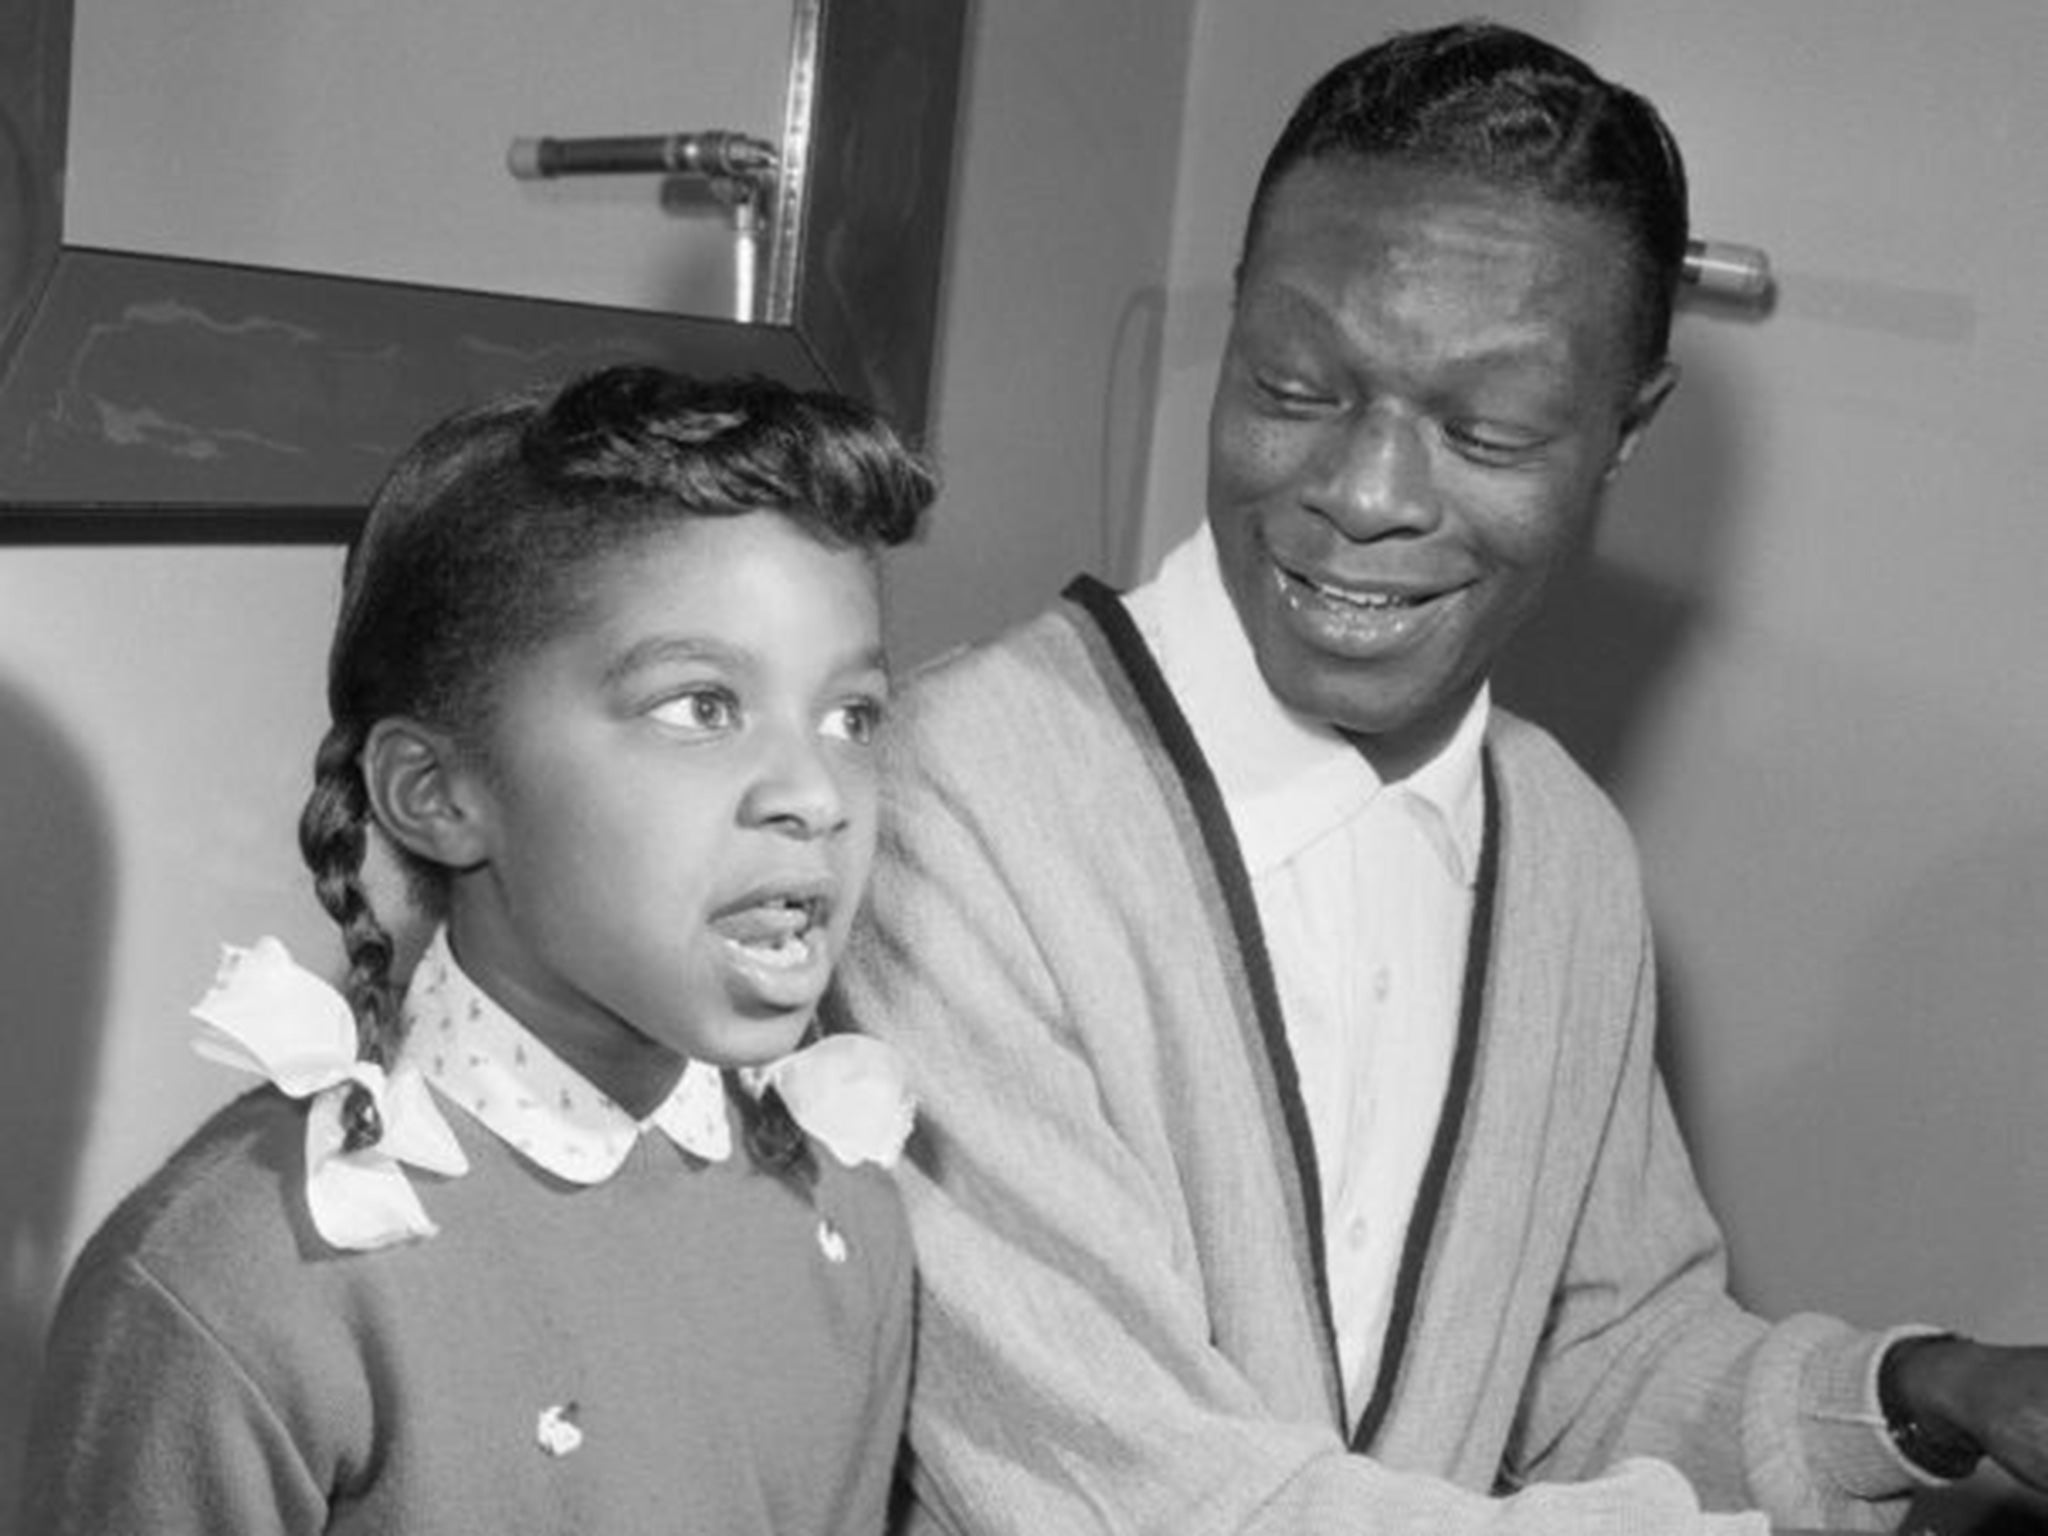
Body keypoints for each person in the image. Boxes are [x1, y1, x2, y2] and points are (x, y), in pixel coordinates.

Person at [832, 20, 2048, 1536]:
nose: (1365, 493)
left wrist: (1931, 1389)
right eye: (1292, 385)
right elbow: (1134, 1490)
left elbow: (1603, 1360)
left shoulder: (1563, 853)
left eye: (1489, 429)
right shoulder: (948, 806)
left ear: (1621, 434)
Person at [19, 365, 935, 1535]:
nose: (815, 793)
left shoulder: (842, 1214)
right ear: (436, 793)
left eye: (852, 717)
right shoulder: (233, 1291)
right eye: (700, 705)